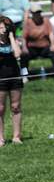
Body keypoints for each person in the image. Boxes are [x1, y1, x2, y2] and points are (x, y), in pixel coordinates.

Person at [20, 3, 54, 79]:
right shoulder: (28, 23)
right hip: (32, 47)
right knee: (24, 55)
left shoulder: (46, 21)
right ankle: (24, 75)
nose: (37, 14)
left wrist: (53, 44)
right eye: (35, 13)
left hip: (44, 46)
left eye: (39, 12)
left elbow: (51, 34)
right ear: (32, 13)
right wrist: (24, 47)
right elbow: (24, 37)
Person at [0, 16, 23, 146]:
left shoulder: (12, 41)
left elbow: (17, 54)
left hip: (14, 76)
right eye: (1, 27)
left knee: (16, 107)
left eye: (5, 27)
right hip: (1, 78)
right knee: (0, 108)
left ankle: (16, 136)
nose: (3, 30)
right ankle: (0, 138)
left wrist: (11, 38)